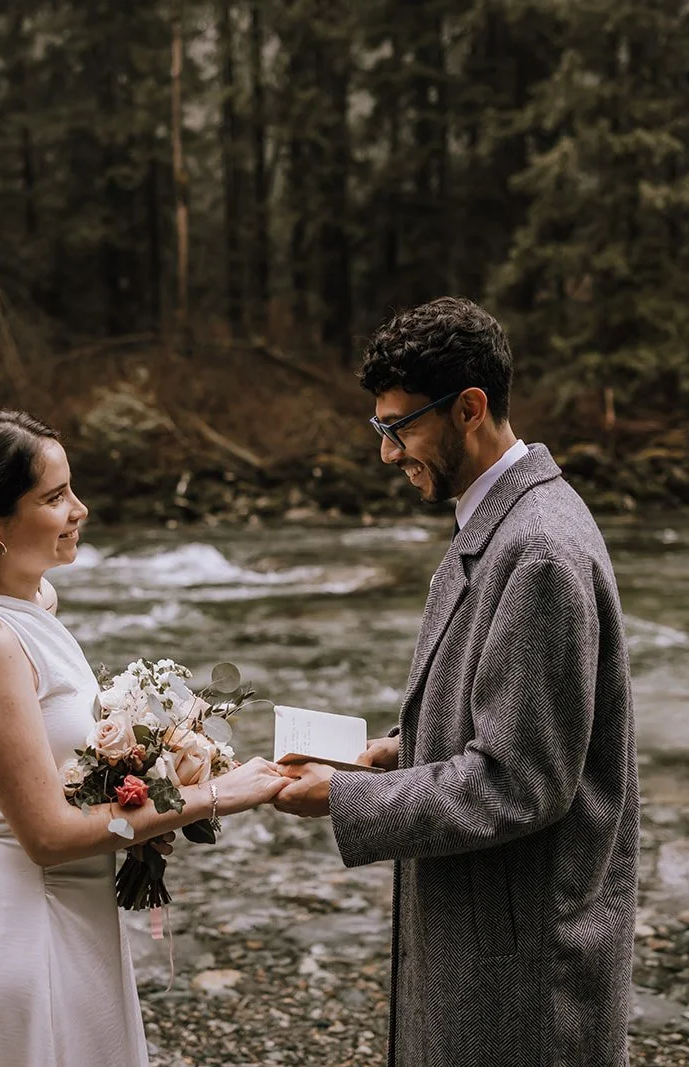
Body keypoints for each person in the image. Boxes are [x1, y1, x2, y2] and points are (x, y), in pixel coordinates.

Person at [274, 298, 639, 1067]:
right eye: (381, 428)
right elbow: (506, 709)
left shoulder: (538, 549)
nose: (386, 452)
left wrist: (343, 798)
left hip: (524, 974)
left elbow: (519, 781)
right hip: (490, 943)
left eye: (399, 427)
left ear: (468, 408)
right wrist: (390, 751)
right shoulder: (501, 519)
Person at [0, 409, 288, 1067]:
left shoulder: (32, 605)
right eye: (54, 496)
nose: (80, 508)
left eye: (71, 488)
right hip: (25, 924)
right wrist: (211, 796)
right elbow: (45, 836)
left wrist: (153, 767)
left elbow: (64, 765)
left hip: (77, 908)